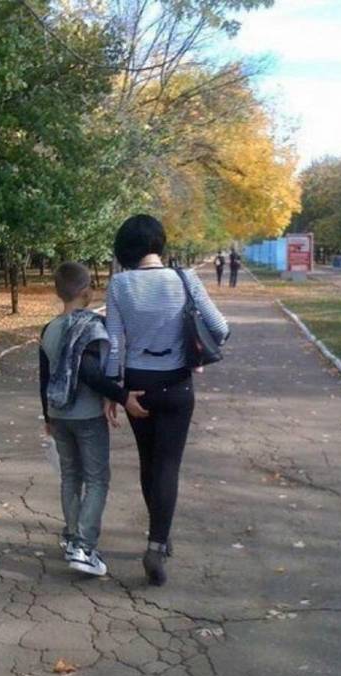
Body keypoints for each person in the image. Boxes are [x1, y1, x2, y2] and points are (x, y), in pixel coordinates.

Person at [105, 215, 229, 586]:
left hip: (137, 385)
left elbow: (114, 343)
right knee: (168, 464)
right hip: (176, 384)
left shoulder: (119, 284)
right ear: (159, 243)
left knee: (149, 461)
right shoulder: (185, 279)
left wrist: (115, 392)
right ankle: (157, 544)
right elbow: (220, 328)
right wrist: (194, 352)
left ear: (126, 247)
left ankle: (160, 531)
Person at [39, 261, 148, 577]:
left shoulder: (49, 329)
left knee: (70, 476)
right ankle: (84, 547)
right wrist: (122, 396)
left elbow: (44, 376)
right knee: (97, 479)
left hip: (58, 413)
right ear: (87, 292)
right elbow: (89, 373)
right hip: (86, 414)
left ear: (58, 292)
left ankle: (72, 536)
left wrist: (47, 415)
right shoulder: (90, 327)